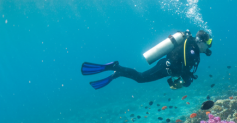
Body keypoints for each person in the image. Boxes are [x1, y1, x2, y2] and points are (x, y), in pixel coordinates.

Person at [81, 30, 212, 90]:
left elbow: (183, 66)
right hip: (165, 68)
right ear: (201, 41)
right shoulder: (192, 50)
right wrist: (186, 82)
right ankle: (115, 67)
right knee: (140, 77)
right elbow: (185, 69)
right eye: (209, 42)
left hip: (166, 66)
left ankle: (118, 72)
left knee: (140, 77)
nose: (209, 46)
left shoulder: (189, 45)